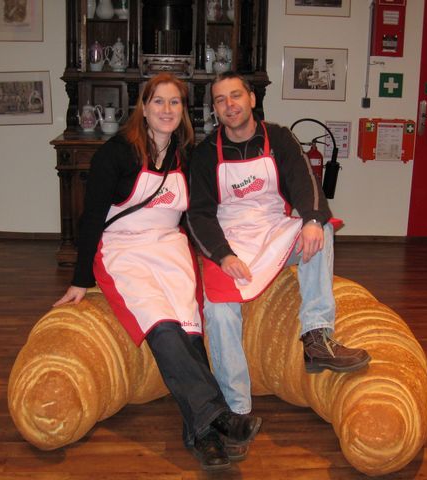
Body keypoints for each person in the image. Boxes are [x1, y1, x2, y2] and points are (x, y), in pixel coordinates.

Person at [54, 73, 261, 472]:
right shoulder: (115, 153)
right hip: (124, 250)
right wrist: (80, 280)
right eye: (159, 102)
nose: (167, 110)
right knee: (162, 325)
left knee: (190, 328)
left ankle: (203, 436)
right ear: (144, 108)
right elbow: (91, 217)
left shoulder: (188, 155)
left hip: (170, 250)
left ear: (184, 110)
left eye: (175, 102)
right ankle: (219, 418)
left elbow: (200, 212)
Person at [186, 72, 371, 454]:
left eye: (236, 95)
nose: (230, 105)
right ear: (215, 108)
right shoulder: (204, 154)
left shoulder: (279, 138)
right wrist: (222, 254)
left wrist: (312, 219)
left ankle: (316, 337)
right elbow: (198, 215)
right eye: (220, 100)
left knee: (323, 230)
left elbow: (305, 182)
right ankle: (236, 410)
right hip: (231, 241)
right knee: (218, 312)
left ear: (251, 99)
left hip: (275, 232)